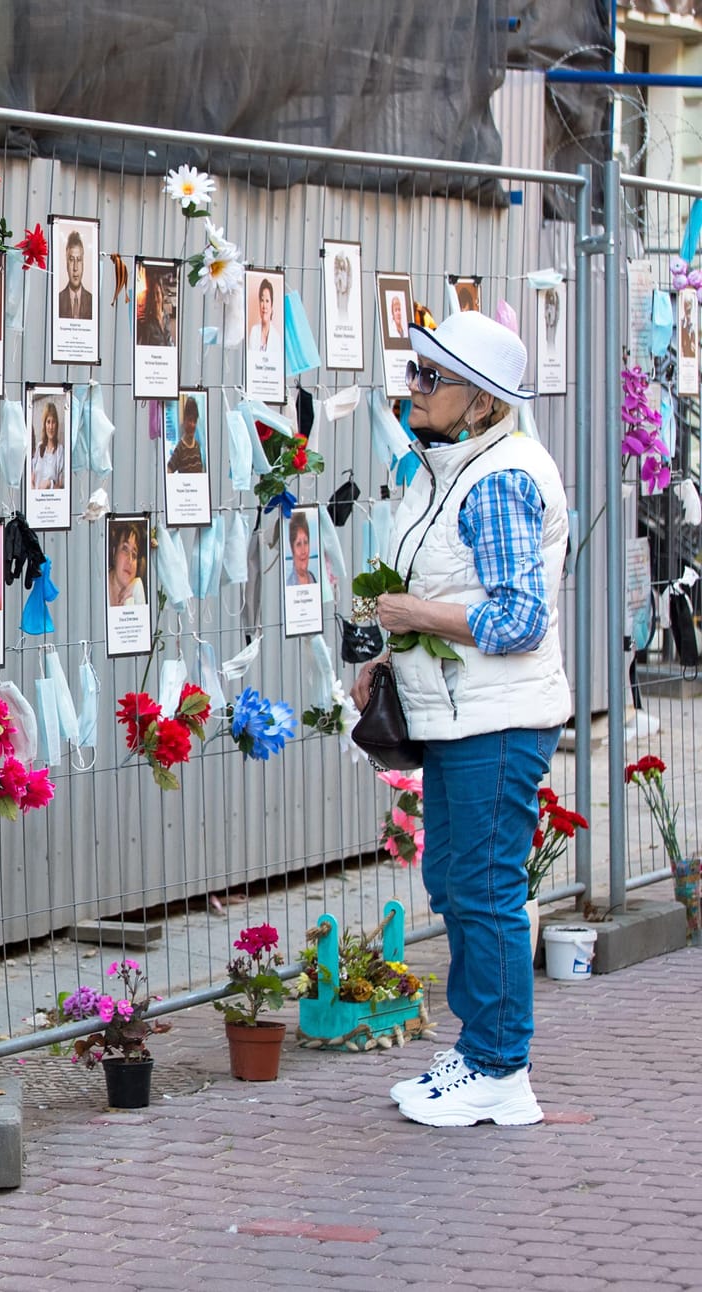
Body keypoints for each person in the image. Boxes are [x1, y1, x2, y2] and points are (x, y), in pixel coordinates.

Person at [350, 311, 569, 1129]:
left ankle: (501, 1069)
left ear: (481, 401)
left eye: (431, 378)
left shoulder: (498, 480)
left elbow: (519, 619)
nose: (413, 387)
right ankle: (482, 1049)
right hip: (462, 716)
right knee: (456, 881)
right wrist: (389, 650)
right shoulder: (450, 469)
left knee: (484, 889)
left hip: (496, 721)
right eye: (413, 370)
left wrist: (412, 613)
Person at [30, 400, 66, 490]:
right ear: (44, 424)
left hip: (52, 498)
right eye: (48, 422)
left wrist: (50, 484)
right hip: (36, 497)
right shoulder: (39, 448)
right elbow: (32, 477)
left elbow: (61, 485)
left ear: (56, 424)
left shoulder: (60, 450)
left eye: (53, 422)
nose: (51, 427)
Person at [57, 230, 92, 321]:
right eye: (72, 260)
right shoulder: (58, 300)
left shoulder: (92, 301)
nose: (75, 268)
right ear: (66, 264)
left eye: (79, 260)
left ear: (83, 264)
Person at [106, 523, 145, 607]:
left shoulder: (135, 590)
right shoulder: (98, 586)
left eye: (134, 555)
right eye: (125, 549)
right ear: (114, 553)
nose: (130, 561)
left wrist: (137, 588)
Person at [136, 267, 175, 348]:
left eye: (157, 293)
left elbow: (169, 340)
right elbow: (143, 347)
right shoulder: (148, 323)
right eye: (153, 295)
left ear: (162, 294)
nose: (156, 299)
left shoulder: (166, 317)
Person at [166, 395, 205, 475]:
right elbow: (168, 471)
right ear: (184, 420)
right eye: (190, 420)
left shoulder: (197, 446)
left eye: (194, 421)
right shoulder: (180, 448)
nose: (192, 425)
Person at [247, 277, 280, 365]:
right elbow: (250, 363)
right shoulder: (254, 331)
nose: (264, 305)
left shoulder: (277, 338)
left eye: (267, 301)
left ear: (271, 306)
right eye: (262, 300)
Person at [284, 512, 315, 586]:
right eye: (298, 544)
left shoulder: (313, 578)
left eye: (306, 542)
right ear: (292, 549)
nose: (303, 551)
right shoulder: (289, 585)